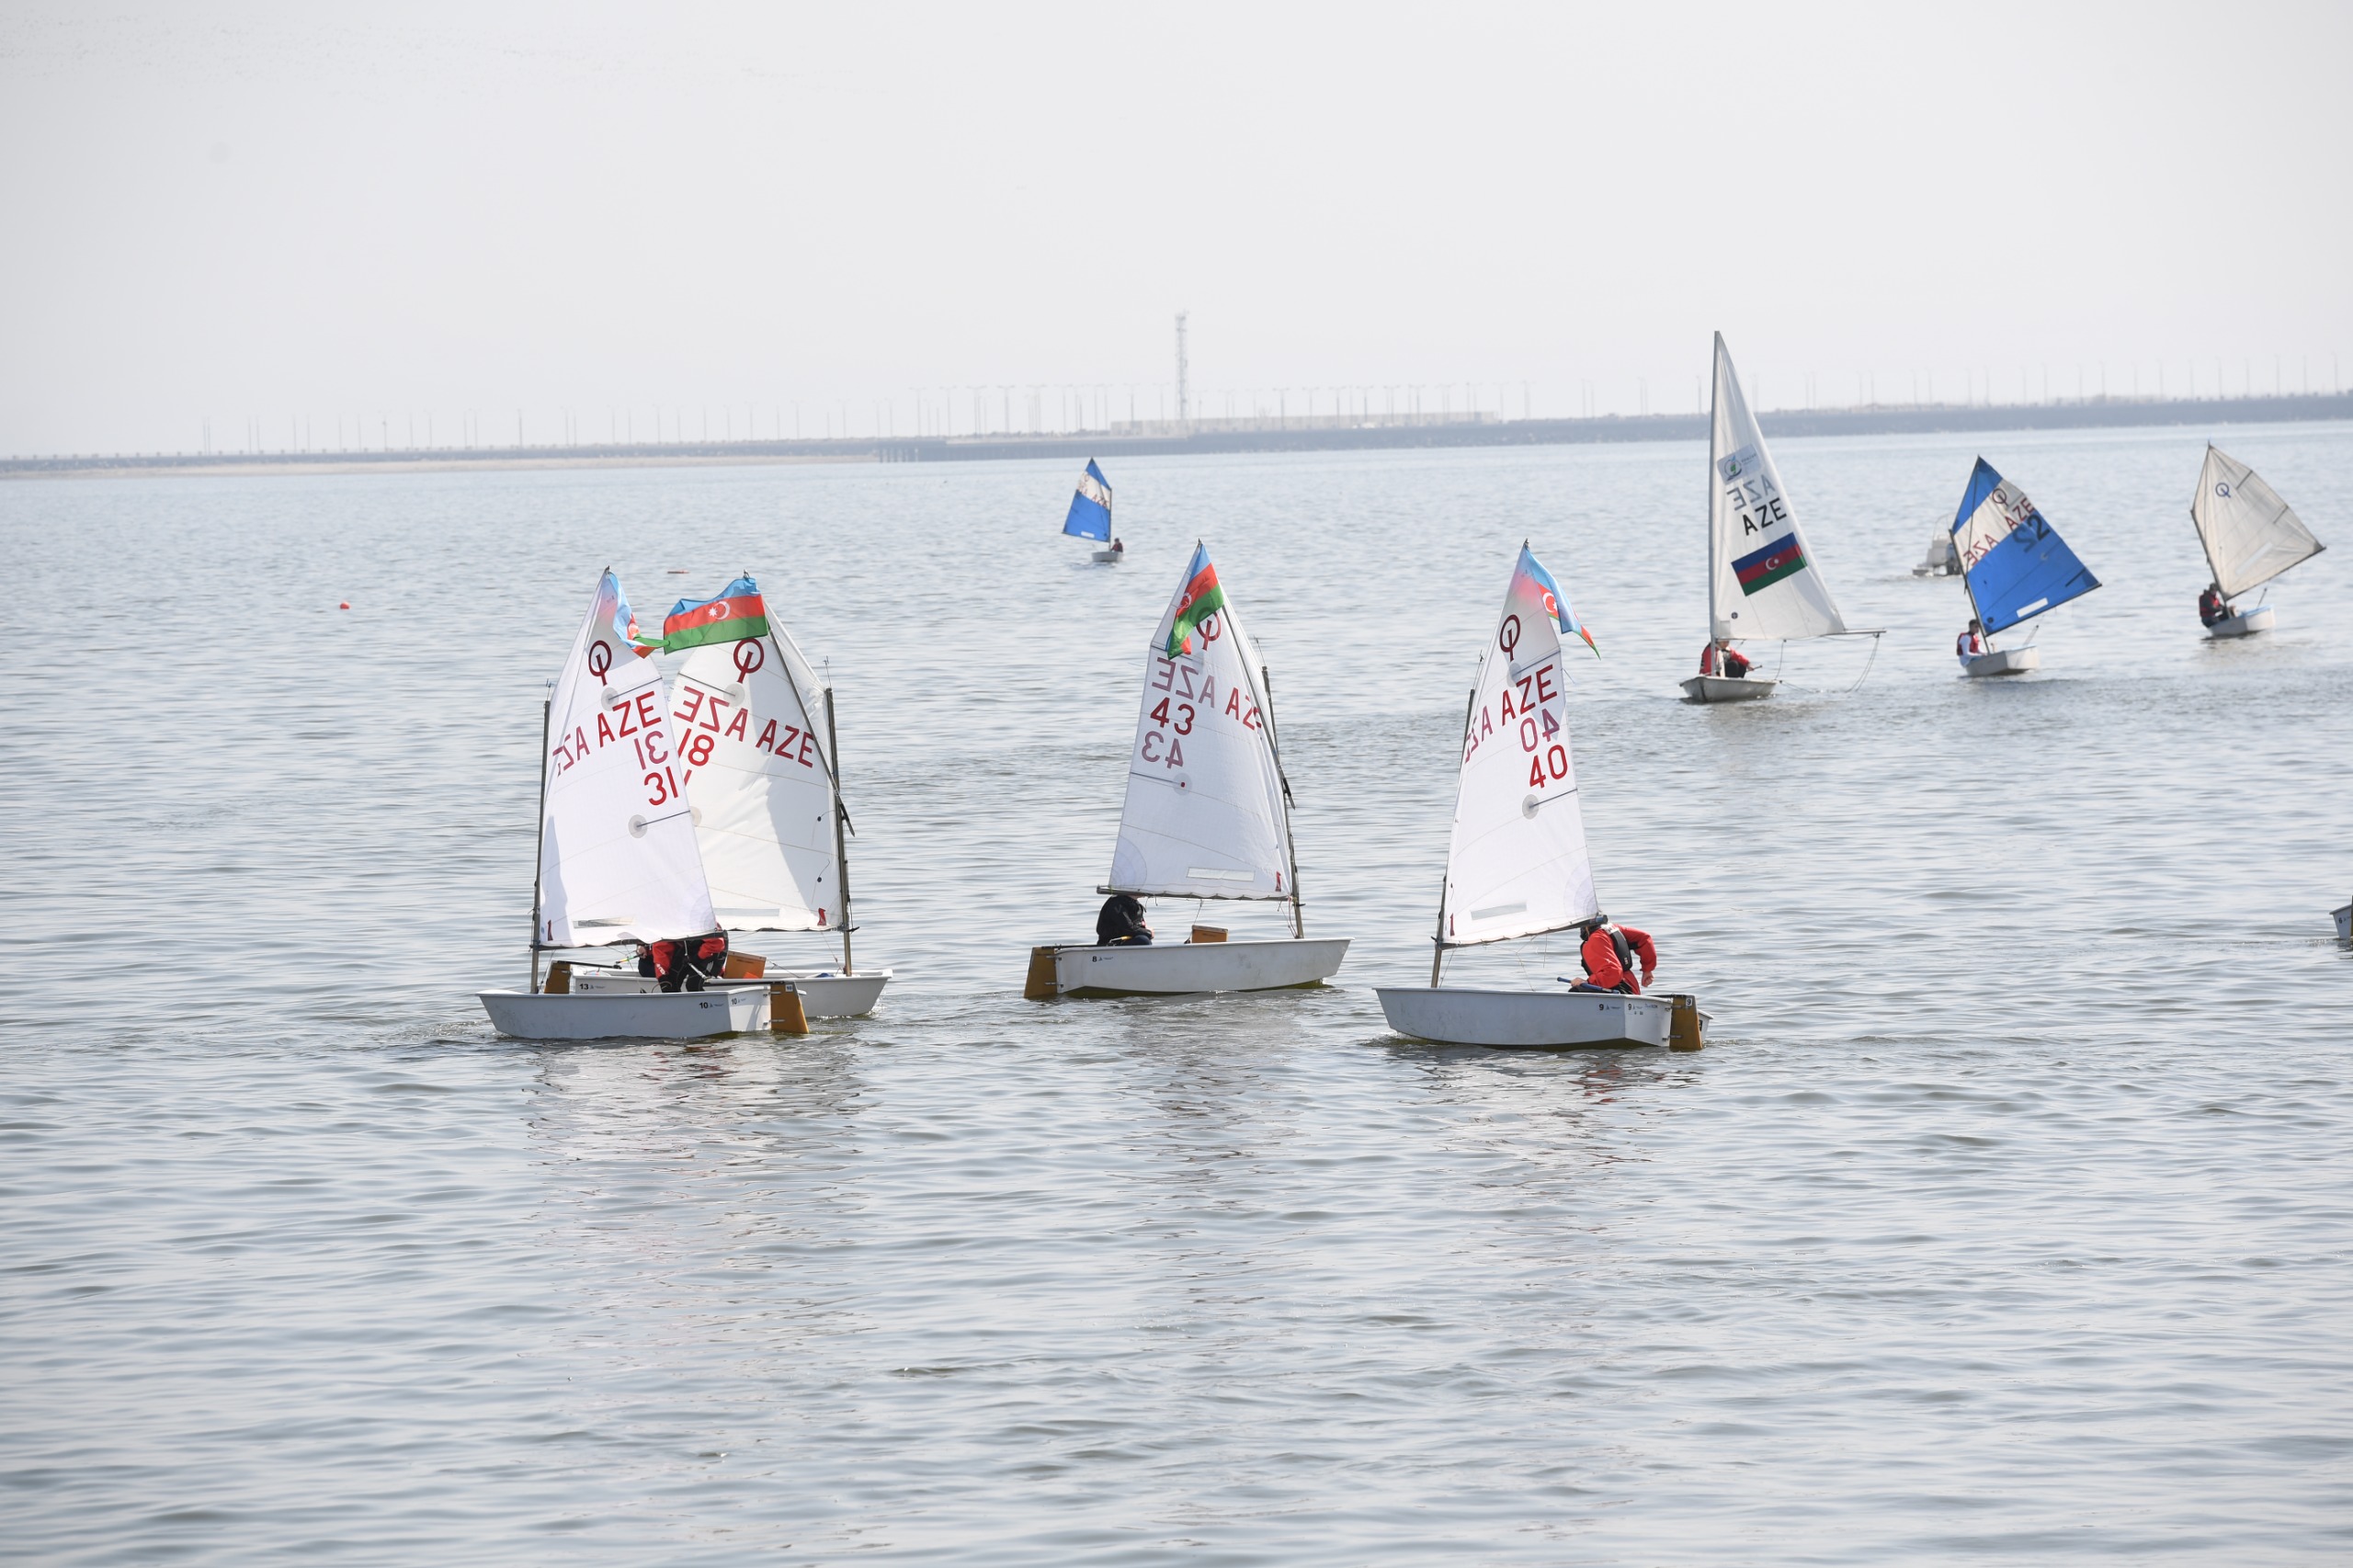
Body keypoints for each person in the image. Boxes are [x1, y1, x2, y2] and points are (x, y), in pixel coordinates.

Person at [1568, 915, 1656, 994]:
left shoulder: (1596, 938)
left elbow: (1613, 972)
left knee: (1576, 992)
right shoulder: (1612, 929)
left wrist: (1587, 982)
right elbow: (1644, 938)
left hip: (1621, 991)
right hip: (1631, 987)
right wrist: (1647, 970)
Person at [639, 931, 730, 992]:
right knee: (670, 982)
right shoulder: (666, 926)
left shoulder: (699, 919)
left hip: (715, 948)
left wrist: (697, 957)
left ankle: (705, 1012)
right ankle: (676, 1010)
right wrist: (662, 978)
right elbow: (660, 953)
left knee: (693, 984)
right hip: (689, 947)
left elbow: (717, 943)